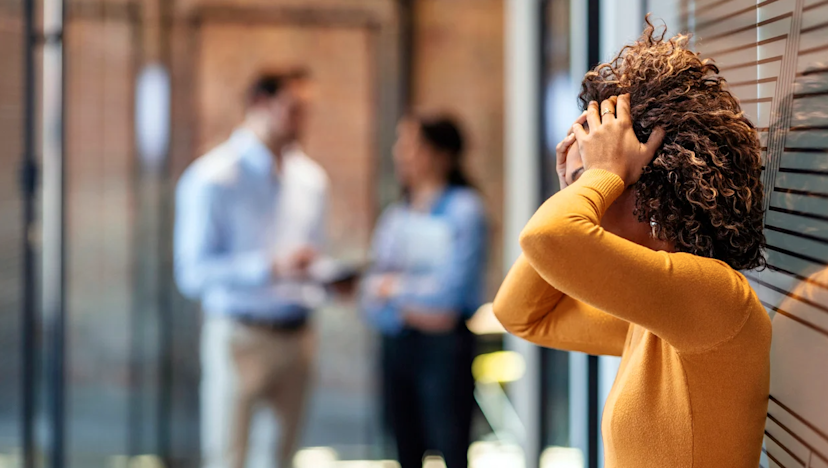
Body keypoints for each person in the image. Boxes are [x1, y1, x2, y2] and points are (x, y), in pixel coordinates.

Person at [493, 22, 771, 468]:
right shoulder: (658, 312)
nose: (589, 199)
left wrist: (599, 178)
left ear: (650, 186)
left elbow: (548, 237)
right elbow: (521, 314)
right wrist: (583, 187)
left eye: (602, 181)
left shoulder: (714, 298)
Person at [174, 69, 329, 468]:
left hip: (297, 336)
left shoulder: (311, 179)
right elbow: (192, 272)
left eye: (306, 111)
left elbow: (310, 258)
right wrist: (266, 268)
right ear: (259, 105)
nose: (302, 121)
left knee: (281, 457)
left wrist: (327, 280)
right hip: (239, 336)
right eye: (293, 109)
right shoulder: (212, 179)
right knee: (229, 456)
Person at [361, 114, 488, 468]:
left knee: (451, 444)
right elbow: (370, 295)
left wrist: (394, 291)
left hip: (445, 350)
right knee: (403, 447)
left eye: (411, 145)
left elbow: (451, 296)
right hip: (400, 345)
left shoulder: (465, 210)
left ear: (439, 154)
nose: (400, 154)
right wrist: (416, 303)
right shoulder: (395, 217)